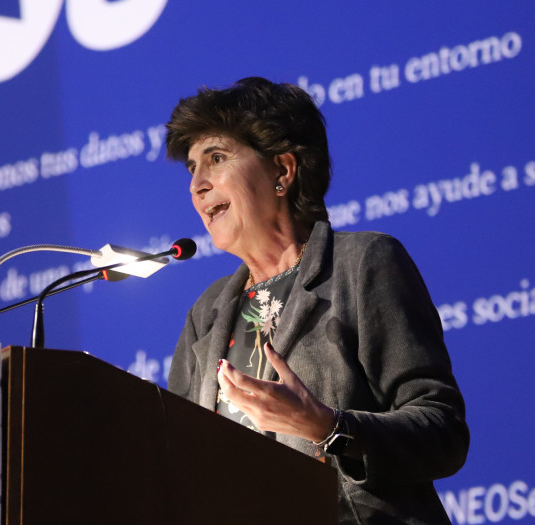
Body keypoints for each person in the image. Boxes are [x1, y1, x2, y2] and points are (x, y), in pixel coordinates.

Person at [165, 77, 468, 524]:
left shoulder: (363, 264)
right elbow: (175, 460)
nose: (198, 184)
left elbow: (442, 433)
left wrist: (328, 428)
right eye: (192, 168)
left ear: (283, 171)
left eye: (216, 158)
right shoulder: (206, 313)